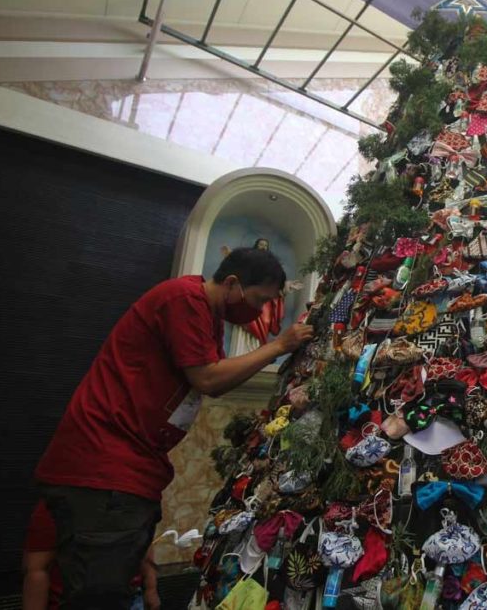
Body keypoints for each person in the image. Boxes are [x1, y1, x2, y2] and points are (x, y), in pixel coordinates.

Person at [34, 247, 315, 608]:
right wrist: (278, 345)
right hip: (104, 466)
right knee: (98, 592)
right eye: (259, 300)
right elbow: (208, 378)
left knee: (113, 583)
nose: (260, 312)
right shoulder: (183, 299)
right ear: (232, 283)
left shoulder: (208, 317)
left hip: (132, 467)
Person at [22, 501, 159, 610]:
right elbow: (37, 570)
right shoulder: (56, 504)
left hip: (130, 598)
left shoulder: (132, 498)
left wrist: (151, 587)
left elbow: (144, 540)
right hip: (73, 601)